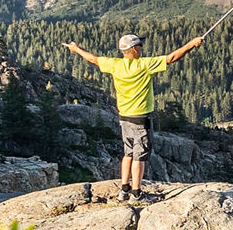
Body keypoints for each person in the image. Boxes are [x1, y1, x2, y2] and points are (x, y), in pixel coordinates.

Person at [63, 32, 204, 206]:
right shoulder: (144, 65)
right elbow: (171, 58)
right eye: (140, 45)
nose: (142, 48)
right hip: (141, 118)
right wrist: (192, 43)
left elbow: (93, 59)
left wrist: (75, 48)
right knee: (140, 156)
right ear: (134, 49)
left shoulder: (115, 65)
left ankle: (124, 190)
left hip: (124, 116)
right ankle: (136, 194)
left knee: (128, 152)